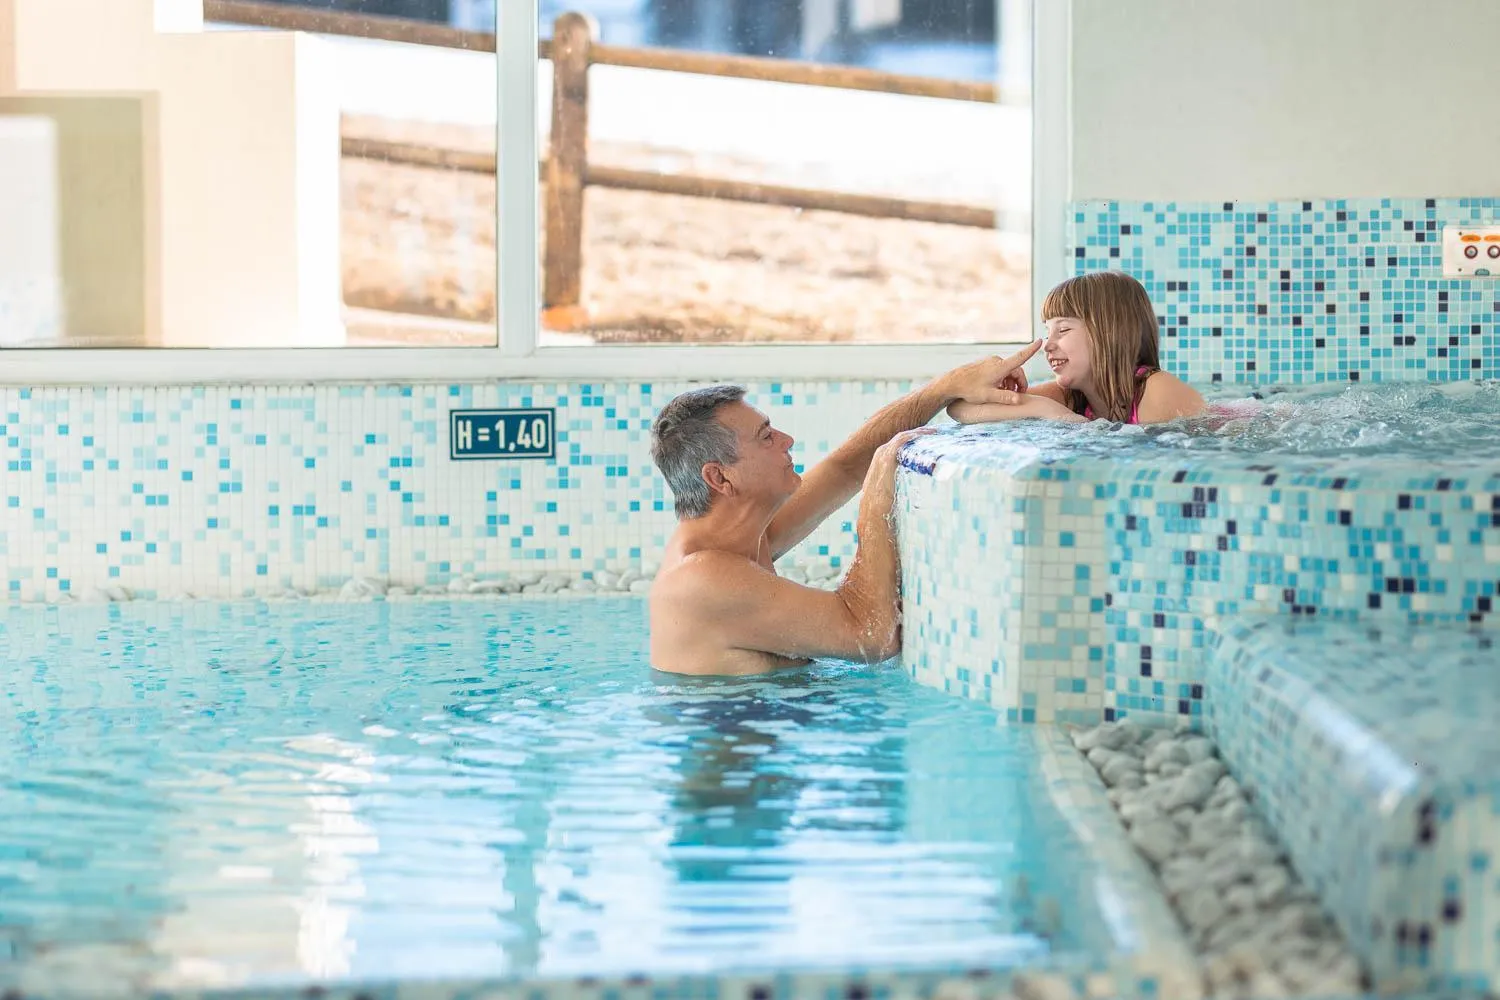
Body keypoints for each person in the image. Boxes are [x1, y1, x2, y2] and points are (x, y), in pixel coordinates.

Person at [647, 342, 1041, 676]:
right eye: (766, 437)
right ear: (719, 478)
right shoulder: (702, 578)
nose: (787, 439)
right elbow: (872, 636)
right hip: (742, 755)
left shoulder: (741, 533)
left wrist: (946, 388)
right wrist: (876, 499)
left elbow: (845, 466)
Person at [948, 271, 1206, 426]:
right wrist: (1046, 410)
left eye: (1063, 330)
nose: (1047, 345)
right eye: (1047, 331)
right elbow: (961, 408)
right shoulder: (1069, 396)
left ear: (1108, 332)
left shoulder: (1158, 390)